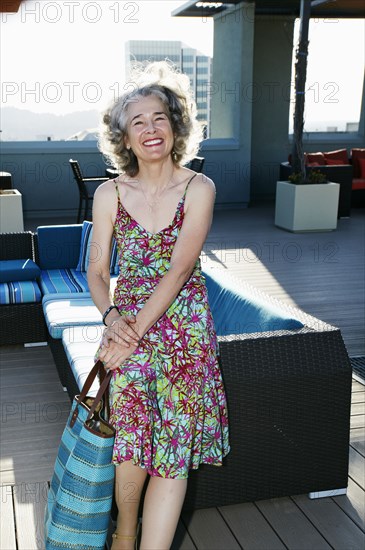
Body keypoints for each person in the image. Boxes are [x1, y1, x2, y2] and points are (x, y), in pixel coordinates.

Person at [88, 61, 230, 550]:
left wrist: (128, 337)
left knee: (172, 454)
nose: (150, 129)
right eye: (138, 122)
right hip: (126, 324)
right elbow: (98, 272)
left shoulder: (199, 189)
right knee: (130, 445)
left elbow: (179, 271)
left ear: (176, 126)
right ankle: (126, 529)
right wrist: (113, 321)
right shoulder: (109, 194)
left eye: (160, 118)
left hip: (184, 337)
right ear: (124, 138)